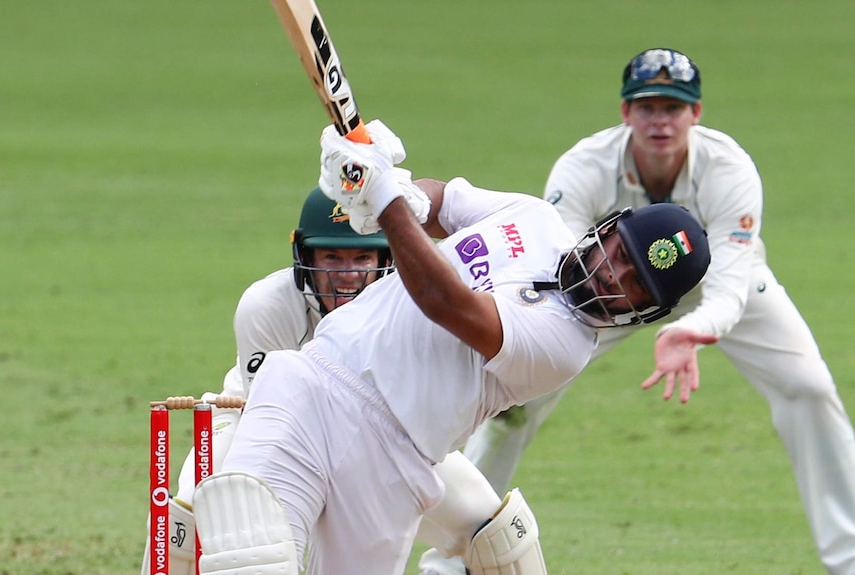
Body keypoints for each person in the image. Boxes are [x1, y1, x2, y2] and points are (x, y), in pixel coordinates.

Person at [190, 119, 713, 575]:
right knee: (249, 554)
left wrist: (385, 199)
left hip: (392, 460)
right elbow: (441, 203)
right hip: (313, 381)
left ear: (647, 310)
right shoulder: (535, 218)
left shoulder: (566, 347)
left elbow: (446, 302)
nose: (611, 276)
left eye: (636, 284)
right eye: (620, 255)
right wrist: (390, 190)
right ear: (608, 229)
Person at [422, 47, 855, 575]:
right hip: (604, 290)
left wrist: (692, 328)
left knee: (809, 386)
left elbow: (730, 287)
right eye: (647, 106)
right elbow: (555, 261)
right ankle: (458, 561)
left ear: (695, 114)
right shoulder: (584, 166)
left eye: (672, 108)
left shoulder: (731, 169)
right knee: (513, 406)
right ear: (626, 112)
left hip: (720, 285)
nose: (659, 121)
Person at [140, 186, 395, 575]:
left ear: (385, 257)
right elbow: (275, 424)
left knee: (489, 524)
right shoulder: (267, 304)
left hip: (374, 436)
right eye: (331, 256)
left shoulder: (406, 309)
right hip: (249, 413)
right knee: (191, 507)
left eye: (362, 256)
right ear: (305, 256)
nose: (348, 273)